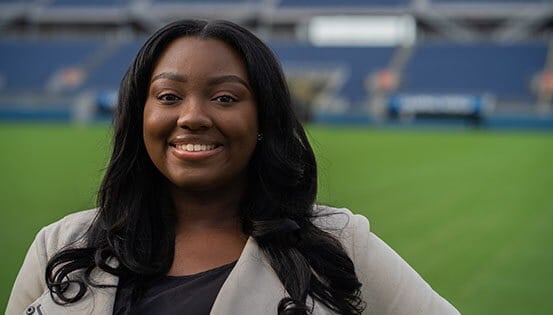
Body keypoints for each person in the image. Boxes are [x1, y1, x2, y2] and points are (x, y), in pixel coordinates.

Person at [6, 19, 459, 315]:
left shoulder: (340, 246)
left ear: (263, 118)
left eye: (225, 98)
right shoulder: (61, 248)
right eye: (168, 96)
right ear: (138, 116)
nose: (192, 116)